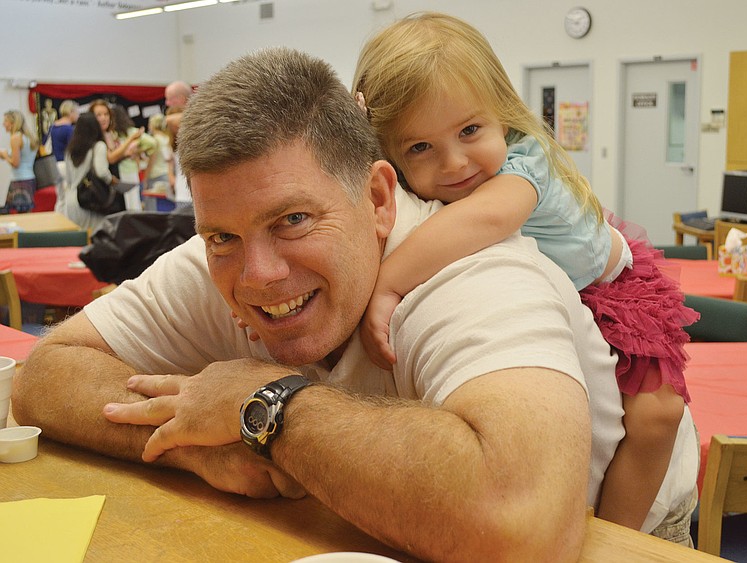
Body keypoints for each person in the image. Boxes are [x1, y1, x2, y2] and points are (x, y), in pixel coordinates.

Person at [13, 48, 698, 560]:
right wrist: (190, 449)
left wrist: (265, 404)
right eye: (222, 235)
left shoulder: (478, 273)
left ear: (376, 199)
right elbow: (45, 376)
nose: (258, 275)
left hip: (628, 526)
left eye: (294, 221)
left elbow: (524, 521)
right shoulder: (219, 254)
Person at [351, 12, 699, 532]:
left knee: (657, 417)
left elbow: (487, 216)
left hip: (614, 290)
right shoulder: (409, 188)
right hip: (577, 295)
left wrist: (388, 284)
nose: (454, 163)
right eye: (419, 147)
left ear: (501, 113)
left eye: (470, 130)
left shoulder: (523, 160)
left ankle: (617, 541)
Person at [59, 112, 119, 231]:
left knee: (78, 240)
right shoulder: (98, 146)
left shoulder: (69, 151)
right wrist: (112, 180)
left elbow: (68, 179)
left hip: (71, 201)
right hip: (90, 200)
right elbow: (101, 172)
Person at [0, 110, 38, 213]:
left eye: (5, 121)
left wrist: (4, 155)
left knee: (16, 215)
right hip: (29, 178)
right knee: (25, 213)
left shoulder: (15, 138)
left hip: (19, 180)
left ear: (13, 123)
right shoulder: (29, 137)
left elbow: (16, 163)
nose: (3, 124)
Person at [49, 100, 80, 207]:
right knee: (69, 195)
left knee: (60, 197)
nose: (77, 115)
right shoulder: (69, 129)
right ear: (71, 112)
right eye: (77, 112)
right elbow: (73, 149)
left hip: (54, 164)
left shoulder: (52, 127)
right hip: (65, 164)